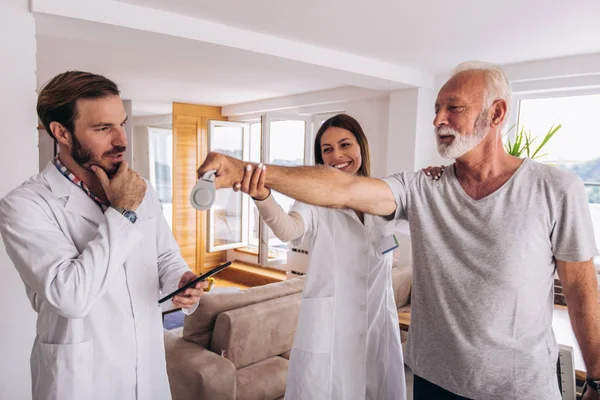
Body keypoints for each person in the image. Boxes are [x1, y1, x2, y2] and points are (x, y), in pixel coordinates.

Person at [198, 61, 600, 400]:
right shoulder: (419, 188)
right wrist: (250, 176)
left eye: (453, 107)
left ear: (496, 114)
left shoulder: (555, 189)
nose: (438, 119)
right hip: (433, 379)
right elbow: (338, 192)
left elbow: (581, 290)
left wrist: (596, 374)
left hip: (518, 387)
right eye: (437, 108)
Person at [0, 71, 207, 400]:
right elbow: (71, 297)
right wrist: (123, 211)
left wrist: (180, 281)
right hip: (82, 379)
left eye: (121, 124)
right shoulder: (24, 205)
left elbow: (165, 255)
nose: (121, 140)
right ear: (61, 133)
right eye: (103, 128)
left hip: (148, 370)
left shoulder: (141, 189)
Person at [235, 114, 440, 399]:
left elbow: (427, 221)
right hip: (329, 327)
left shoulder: (381, 196)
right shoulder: (315, 201)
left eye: (345, 145)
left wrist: (432, 186)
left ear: (361, 148)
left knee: (377, 389)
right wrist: (262, 198)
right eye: (327, 149)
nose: (337, 155)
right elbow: (288, 229)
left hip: (377, 323)